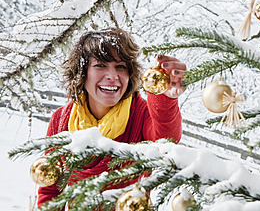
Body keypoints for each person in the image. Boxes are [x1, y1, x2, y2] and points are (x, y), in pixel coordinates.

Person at [37, 28, 187, 207]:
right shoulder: (61, 119)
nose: (112, 76)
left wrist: (166, 97)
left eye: (120, 67)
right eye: (100, 65)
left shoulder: (140, 113)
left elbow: (165, 138)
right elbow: (51, 189)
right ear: (82, 72)